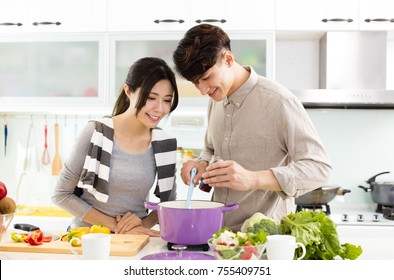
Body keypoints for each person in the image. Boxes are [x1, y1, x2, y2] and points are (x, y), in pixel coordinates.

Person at [173, 24, 332, 231]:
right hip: (219, 236)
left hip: (265, 241)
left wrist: (253, 178)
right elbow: (211, 148)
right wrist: (202, 164)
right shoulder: (216, 99)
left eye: (206, 78)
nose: (203, 90)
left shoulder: (279, 101)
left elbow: (319, 168)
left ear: (228, 59)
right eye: (196, 83)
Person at [52, 57, 179, 236]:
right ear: (128, 91)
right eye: (151, 97)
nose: (160, 108)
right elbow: (61, 195)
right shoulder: (97, 132)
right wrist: (116, 226)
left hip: (134, 242)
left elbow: (167, 206)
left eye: (167, 100)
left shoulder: (164, 144)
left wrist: (141, 225)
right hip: (88, 240)